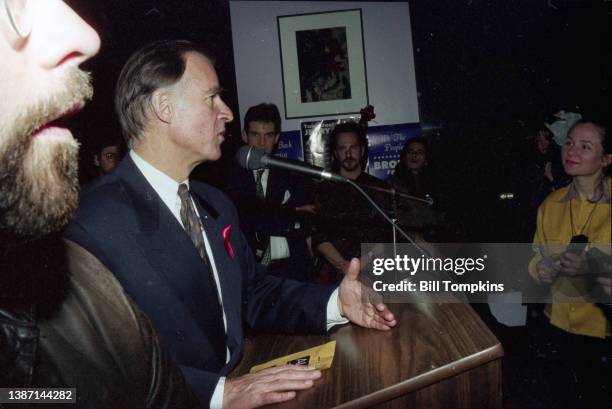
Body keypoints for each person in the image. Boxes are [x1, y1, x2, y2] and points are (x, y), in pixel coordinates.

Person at [65, 40, 397, 409]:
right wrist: (218, 394)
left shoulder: (215, 204)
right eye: (212, 98)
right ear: (164, 107)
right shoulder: (90, 221)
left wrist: (337, 301)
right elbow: (93, 372)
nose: (226, 113)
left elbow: (253, 294)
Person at [0, 2, 198, 408]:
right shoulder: (93, 225)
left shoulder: (90, 284)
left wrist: (335, 302)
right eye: (14, 3)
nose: (86, 36)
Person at [529, 120, 611, 408]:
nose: (571, 151)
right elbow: (536, 256)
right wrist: (541, 269)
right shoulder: (550, 204)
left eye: (585, 146)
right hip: (560, 326)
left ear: (606, 159)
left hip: (603, 330)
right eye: (569, 143)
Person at [224, 103, 315, 282]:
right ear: (244, 135)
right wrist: (290, 213)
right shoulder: (230, 175)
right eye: (255, 135)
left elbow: (306, 221)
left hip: (293, 270)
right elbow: (243, 221)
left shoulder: (293, 172)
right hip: (250, 272)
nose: (261, 143)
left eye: (268, 135)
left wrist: (270, 218)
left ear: (277, 138)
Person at [313, 122, 393, 281]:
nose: (348, 154)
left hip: (374, 273)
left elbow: (386, 237)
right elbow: (318, 236)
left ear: (362, 150)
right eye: (343, 148)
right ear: (336, 153)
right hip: (335, 275)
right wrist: (345, 267)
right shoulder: (323, 189)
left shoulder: (380, 189)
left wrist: (359, 266)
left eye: (353, 147)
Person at [386, 136, 444, 241]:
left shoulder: (437, 183)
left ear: (426, 159)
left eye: (420, 152)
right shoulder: (392, 184)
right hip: (406, 243)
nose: (414, 155)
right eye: (410, 151)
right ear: (404, 157)